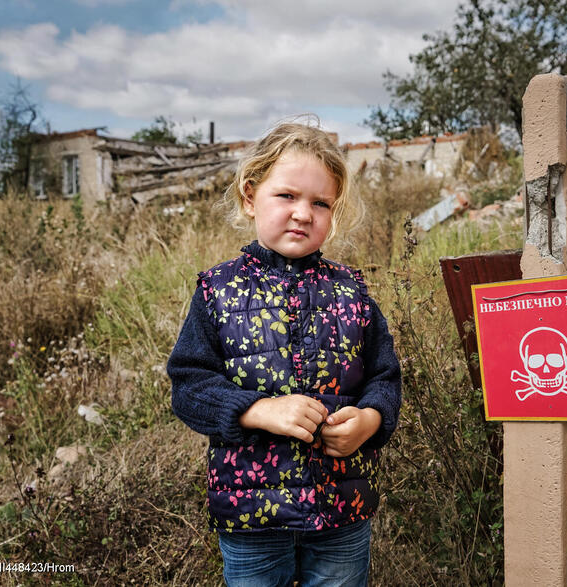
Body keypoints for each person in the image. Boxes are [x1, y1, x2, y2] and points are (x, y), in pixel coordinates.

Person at [167, 121, 402, 586]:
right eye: (286, 196)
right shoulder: (217, 290)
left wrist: (371, 421)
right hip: (252, 515)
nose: (303, 213)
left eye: (320, 203)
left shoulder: (351, 291)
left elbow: (385, 377)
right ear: (250, 196)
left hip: (342, 508)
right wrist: (258, 410)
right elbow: (189, 385)